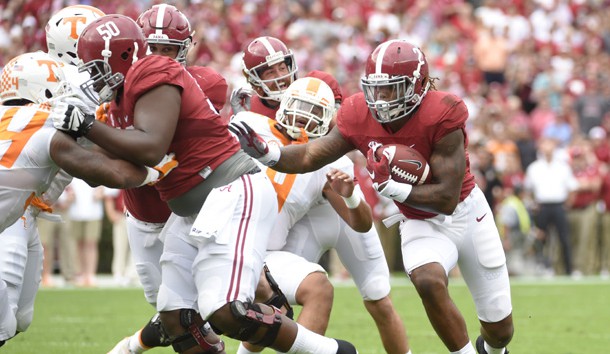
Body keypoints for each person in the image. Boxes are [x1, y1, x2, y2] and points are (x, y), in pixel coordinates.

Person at [55, 14, 357, 354]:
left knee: (226, 311)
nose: (91, 77)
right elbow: (107, 171)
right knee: (177, 320)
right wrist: (64, 135)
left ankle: (336, 352)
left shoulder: (154, 70)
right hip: (192, 212)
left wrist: (85, 127)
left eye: (96, 67)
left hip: (231, 192)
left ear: (122, 57)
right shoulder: (118, 102)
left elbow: (150, 146)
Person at [231, 39, 514, 354]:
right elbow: (311, 154)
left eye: (391, 88)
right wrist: (270, 153)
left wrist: (390, 187)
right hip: (417, 219)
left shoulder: (443, 112)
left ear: (417, 86)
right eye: (375, 88)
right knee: (427, 280)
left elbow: (447, 198)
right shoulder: (357, 113)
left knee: (500, 330)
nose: (380, 98)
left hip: (466, 212)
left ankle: (493, 348)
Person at [0, 51, 175, 348]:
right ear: (41, 90)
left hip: (13, 222)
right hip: (12, 226)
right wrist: (155, 171)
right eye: (61, 87)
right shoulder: (46, 129)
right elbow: (108, 173)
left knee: (17, 319)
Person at [231, 76, 410, 354]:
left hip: (269, 251)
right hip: (238, 245)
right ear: (284, 104)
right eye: (300, 106)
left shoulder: (333, 163)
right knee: (256, 306)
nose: (304, 117)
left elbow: (361, 223)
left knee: (335, 289)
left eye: (315, 111)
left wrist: (349, 194)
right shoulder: (253, 125)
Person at [106, 4, 231, 353]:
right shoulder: (119, 88)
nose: (160, 58)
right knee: (172, 315)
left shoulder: (205, 84)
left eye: (168, 50)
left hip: (187, 212)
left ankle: (131, 347)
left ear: (186, 50)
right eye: (153, 49)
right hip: (142, 214)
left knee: (200, 307)